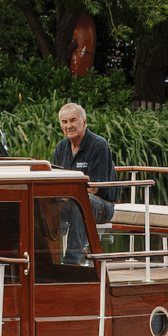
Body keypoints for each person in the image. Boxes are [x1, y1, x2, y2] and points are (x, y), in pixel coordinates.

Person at [49, 102, 119, 262]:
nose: (68, 126)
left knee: (79, 202)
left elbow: (95, 188)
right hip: (69, 200)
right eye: (64, 122)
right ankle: (43, 260)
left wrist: (68, 192)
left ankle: (72, 262)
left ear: (84, 122)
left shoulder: (98, 145)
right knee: (40, 203)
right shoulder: (61, 147)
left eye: (73, 120)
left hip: (103, 205)